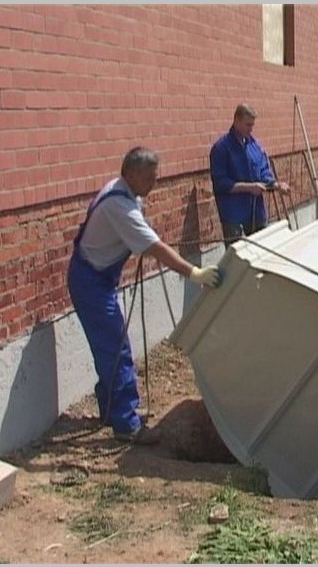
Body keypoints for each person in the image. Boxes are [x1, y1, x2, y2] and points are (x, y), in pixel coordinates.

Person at [67, 147, 222, 444]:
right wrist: (194, 273)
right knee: (116, 348)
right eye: (150, 177)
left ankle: (111, 410)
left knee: (109, 346)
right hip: (91, 282)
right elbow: (155, 247)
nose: (154, 183)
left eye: (156, 176)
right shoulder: (119, 206)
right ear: (131, 174)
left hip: (95, 276)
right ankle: (126, 425)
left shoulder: (127, 194)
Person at [210, 103, 290, 248]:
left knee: (262, 250)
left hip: (256, 211)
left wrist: (277, 185)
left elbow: (264, 172)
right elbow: (220, 183)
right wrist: (248, 188)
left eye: (253, 125)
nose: (251, 129)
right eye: (248, 125)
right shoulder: (221, 148)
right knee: (238, 257)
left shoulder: (254, 145)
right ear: (236, 121)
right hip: (233, 213)